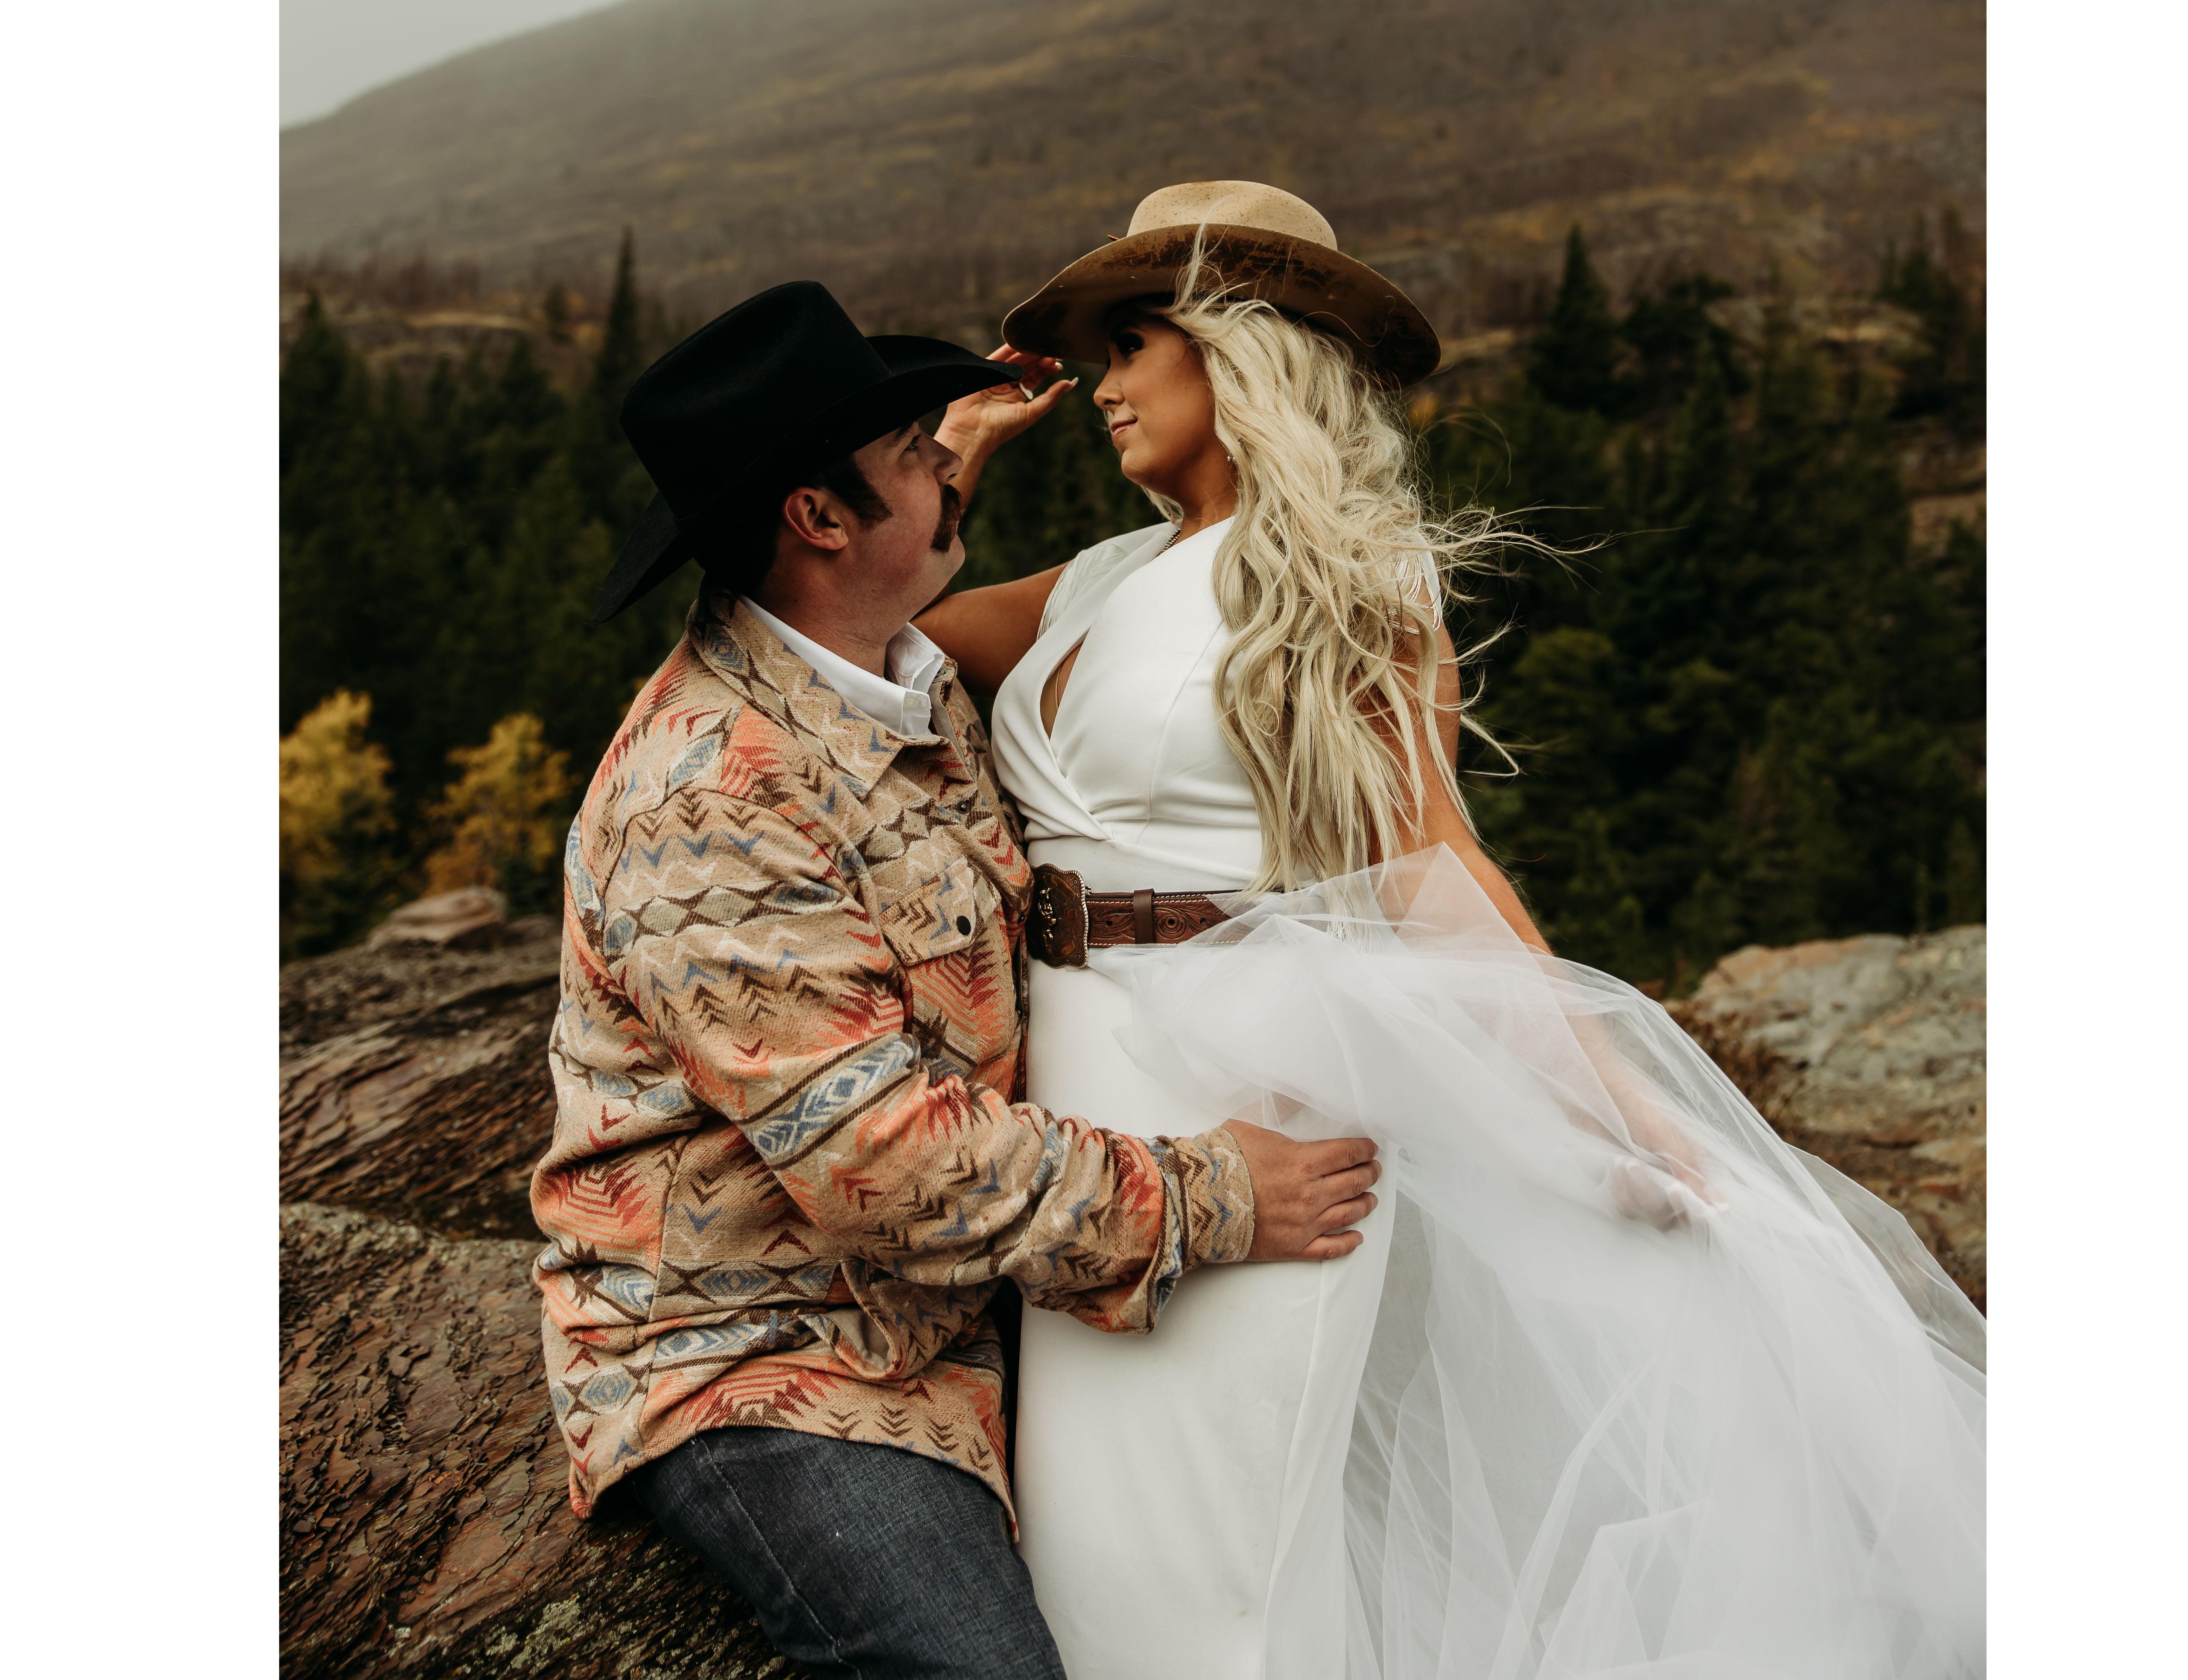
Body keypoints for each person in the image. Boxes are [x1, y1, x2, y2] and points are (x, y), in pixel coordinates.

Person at [919, 181, 1987, 1680]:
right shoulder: (1101, 578)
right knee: (1090, 1558)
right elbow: (877, 643)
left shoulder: (1350, 571)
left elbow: (1428, 852)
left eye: (1134, 345)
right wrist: (949, 467)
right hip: (1074, 1108)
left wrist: (1612, 1102)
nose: (1101, 385)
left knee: (1215, 1575)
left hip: (1250, 1090)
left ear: (1241, 348)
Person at [530, 280, 1384, 1680]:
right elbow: (880, 1163)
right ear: (818, 517)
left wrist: (938, 468)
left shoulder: (885, 674)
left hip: (950, 1310)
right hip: (771, 1358)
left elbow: (888, 596)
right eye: (910, 453)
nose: (943, 459)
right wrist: (1217, 1195)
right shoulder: (710, 801)